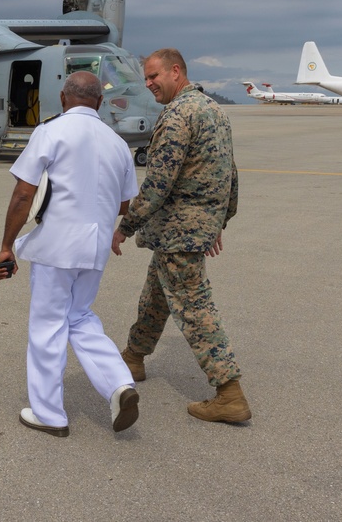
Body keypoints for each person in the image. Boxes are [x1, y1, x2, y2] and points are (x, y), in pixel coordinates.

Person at [0, 71, 141, 437]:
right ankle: (119, 384)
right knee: (80, 316)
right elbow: (124, 204)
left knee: (48, 325)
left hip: (57, 246)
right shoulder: (117, 142)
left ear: (63, 98)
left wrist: (6, 246)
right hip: (94, 248)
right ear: (100, 102)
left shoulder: (50, 131)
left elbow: (24, 194)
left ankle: (49, 414)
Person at [112, 48, 251, 423]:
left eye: (155, 76)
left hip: (179, 229)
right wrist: (219, 220)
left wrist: (125, 226)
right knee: (157, 295)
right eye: (146, 78)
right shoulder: (214, 111)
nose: (149, 84)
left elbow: (158, 183)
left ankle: (229, 392)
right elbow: (230, 173)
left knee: (194, 307)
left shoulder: (177, 115)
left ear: (177, 72)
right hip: (193, 226)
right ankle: (134, 357)